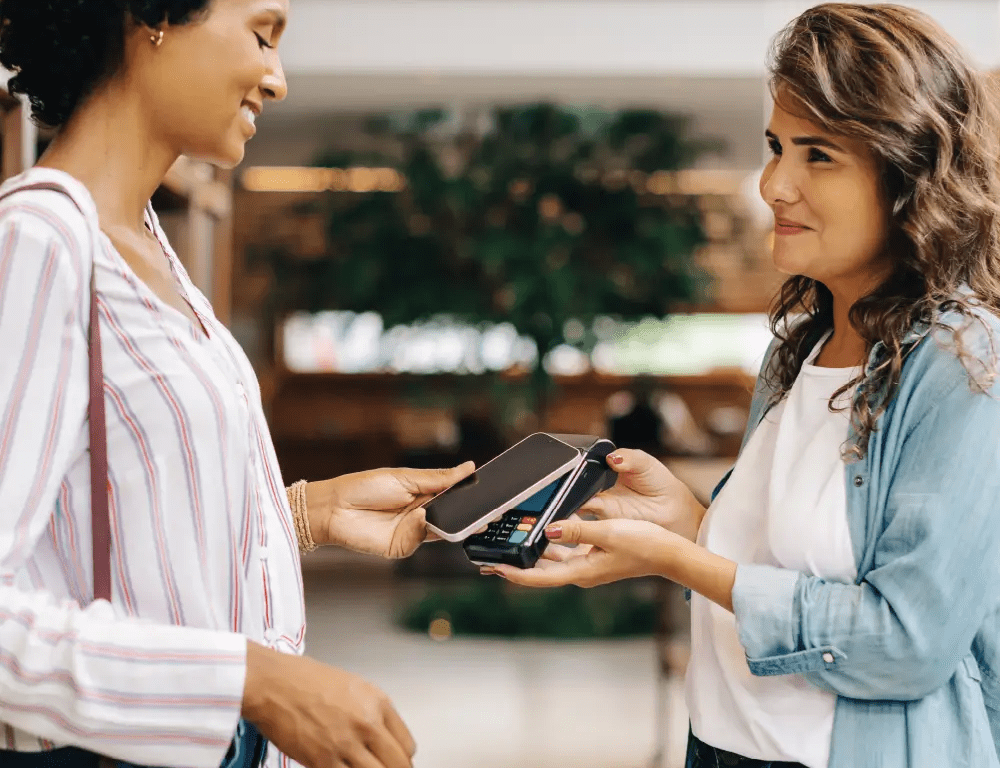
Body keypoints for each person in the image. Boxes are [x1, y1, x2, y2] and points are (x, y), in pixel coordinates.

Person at [484, 4, 1000, 767]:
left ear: (908, 174)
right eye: (775, 147)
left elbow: (906, 642)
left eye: (817, 155)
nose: (773, 184)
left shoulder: (965, 364)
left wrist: (679, 561)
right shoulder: (800, 349)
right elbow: (783, 565)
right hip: (721, 748)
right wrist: (688, 524)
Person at [0, 1, 475, 767]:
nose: (278, 79)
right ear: (149, 16)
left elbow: (131, 535)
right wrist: (250, 681)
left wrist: (308, 514)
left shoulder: (149, 248)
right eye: (262, 35)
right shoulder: (37, 243)